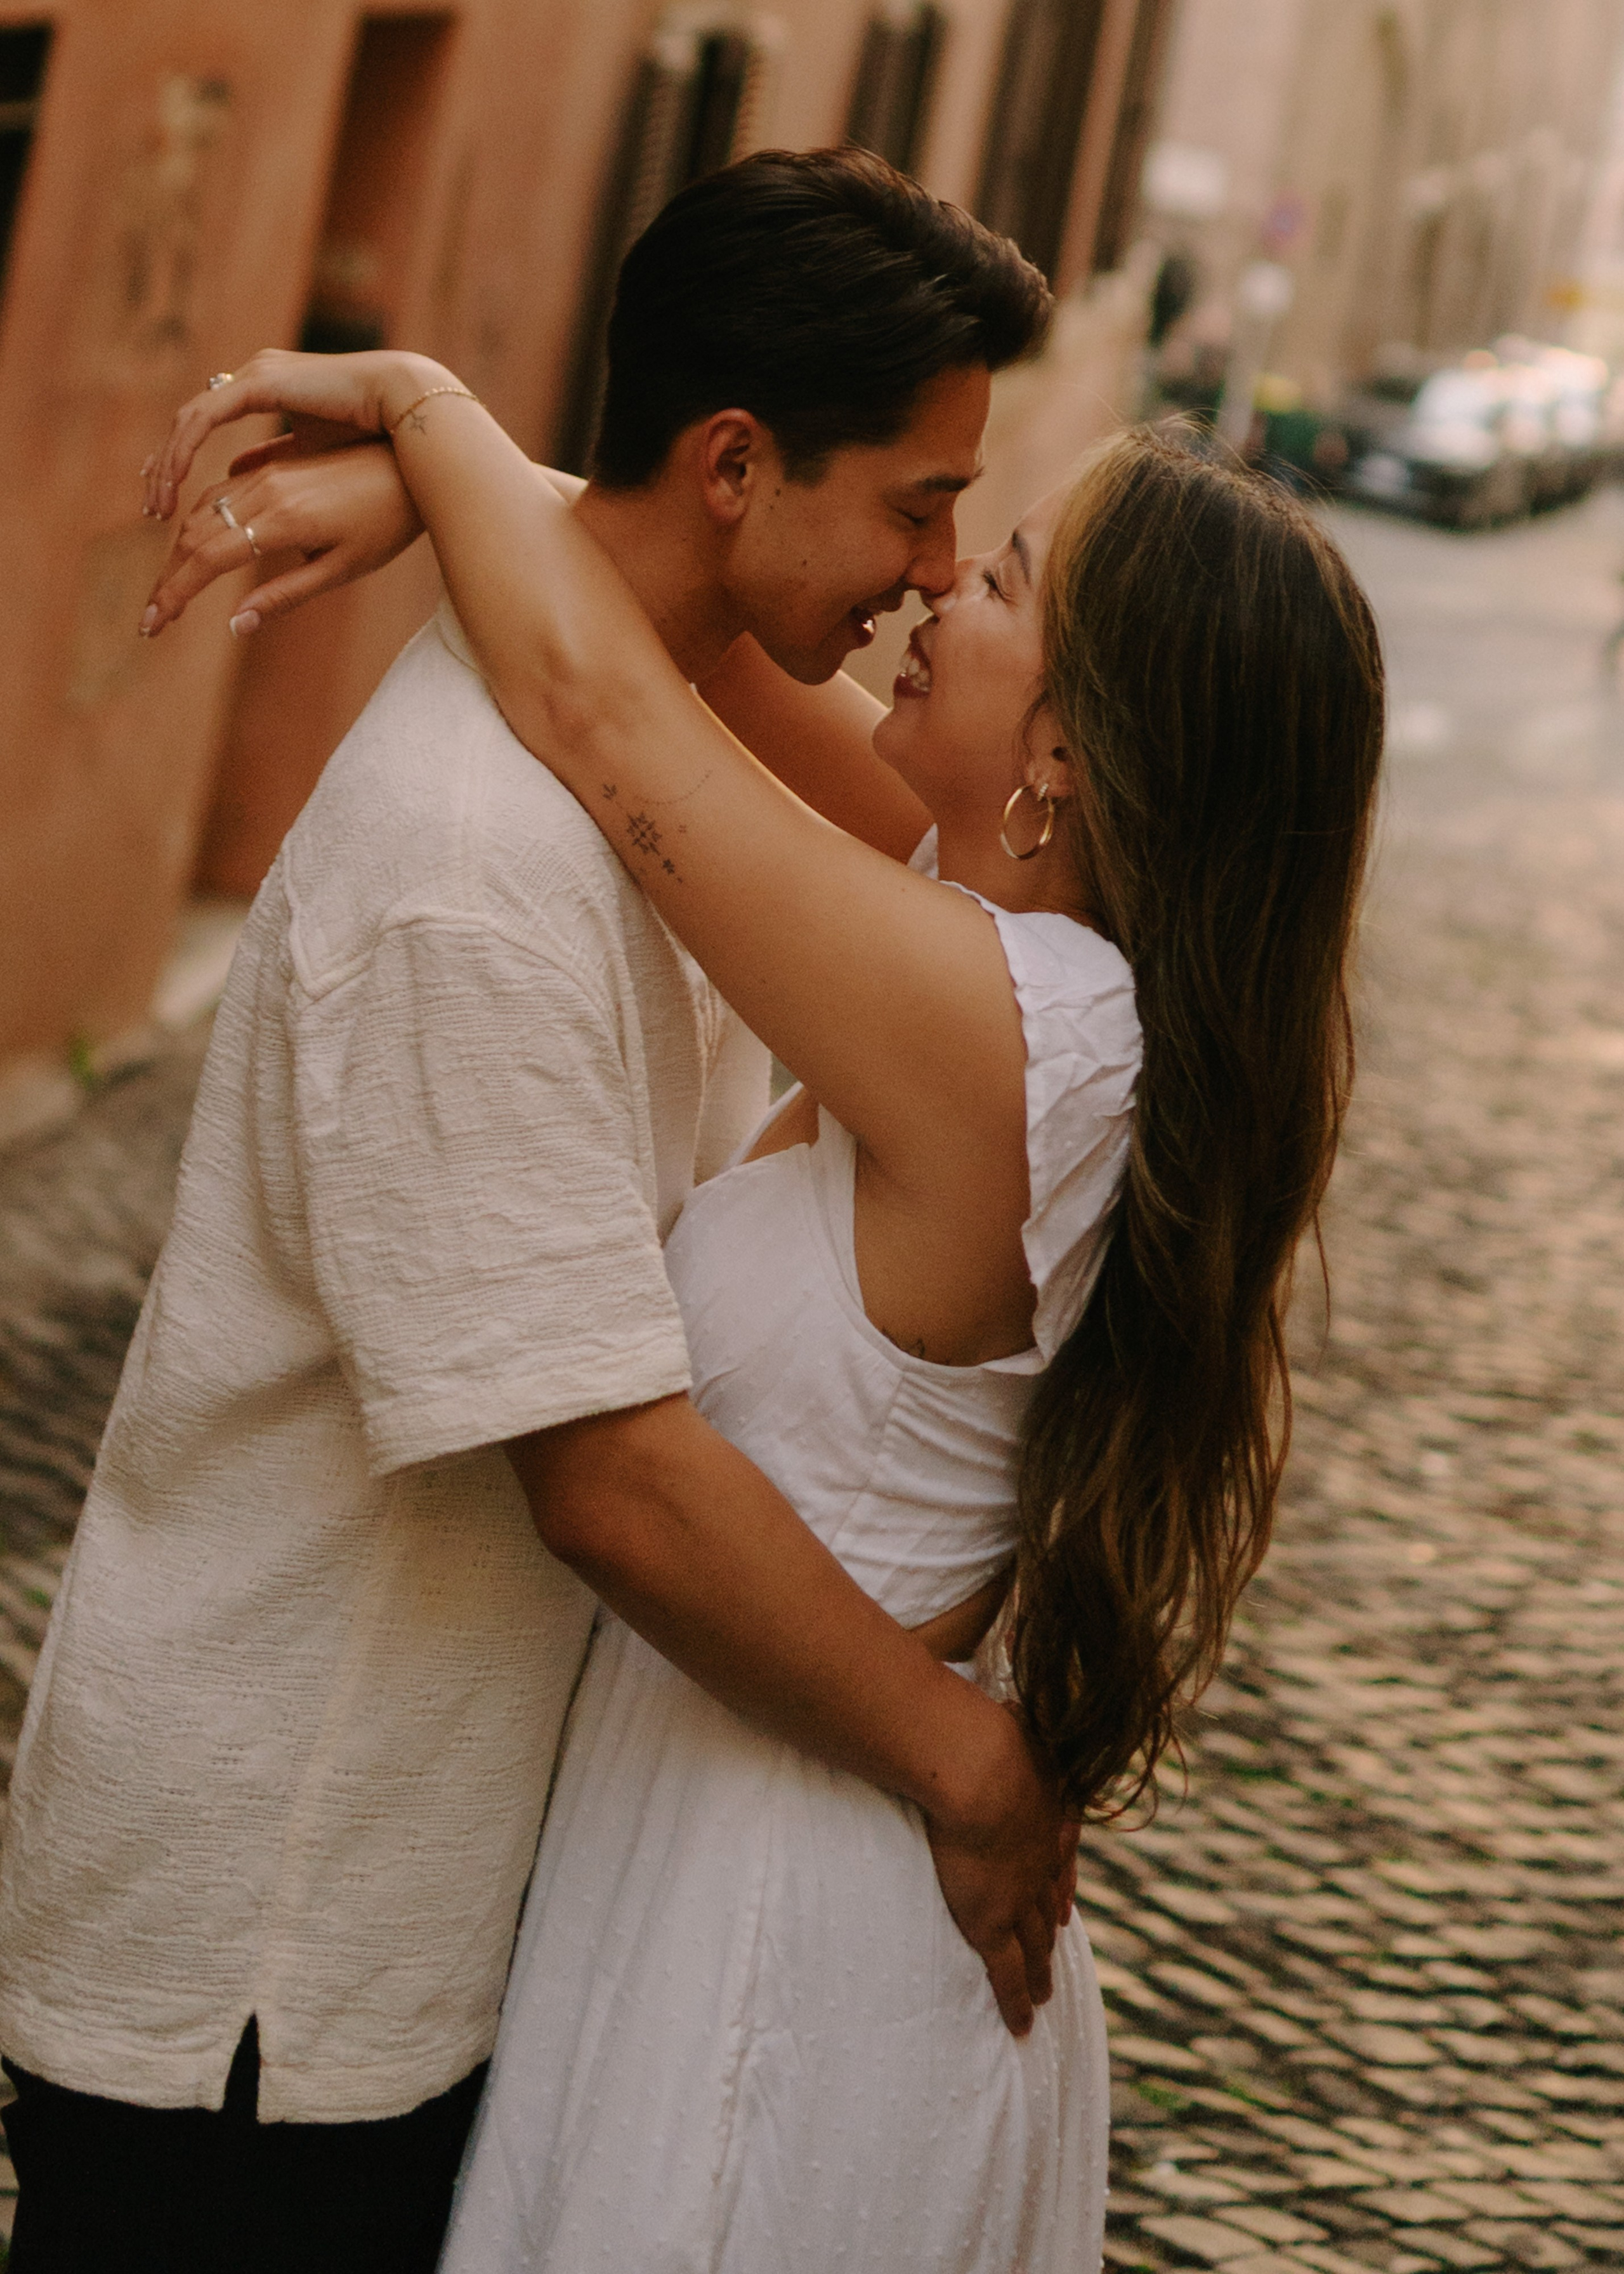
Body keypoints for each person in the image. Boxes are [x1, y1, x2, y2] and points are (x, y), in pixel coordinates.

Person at [133, 330, 1385, 2271]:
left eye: (1004, 580)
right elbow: (678, 622)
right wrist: (448, 491)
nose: (935, 590)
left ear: (1066, 750)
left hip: (781, 1948)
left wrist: (415, 403)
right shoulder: (992, 945)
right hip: (717, 1851)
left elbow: (604, 713)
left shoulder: (1023, 1041)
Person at [0, 152, 1071, 2274]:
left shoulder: (652, 773)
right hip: (276, 1964)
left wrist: (441, 444)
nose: (938, 574)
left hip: (423, 1923)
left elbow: (839, 791)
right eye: (920, 504)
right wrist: (965, 1761)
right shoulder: (470, 876)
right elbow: (609, 1479)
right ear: (739, 464)